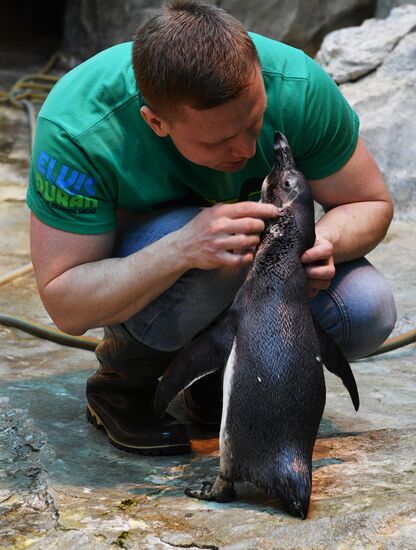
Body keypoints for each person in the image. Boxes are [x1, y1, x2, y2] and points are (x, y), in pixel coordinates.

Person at [27, 0, 396, 455]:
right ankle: (125, 382)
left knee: (366, 307)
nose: (245, 148)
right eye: (218, 140)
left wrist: (317, 245)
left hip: (250, 271)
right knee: (222, 256)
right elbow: (67, 303)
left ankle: (219, 376)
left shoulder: (296, 84)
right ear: (156, 122)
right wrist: (182, 248)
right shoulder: (79, 127)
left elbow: (370, 202)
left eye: (255, 122)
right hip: (160, 261)